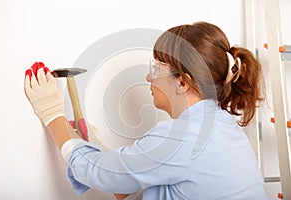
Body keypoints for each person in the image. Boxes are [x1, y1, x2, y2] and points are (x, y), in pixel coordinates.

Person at [24, 21, 267, 199]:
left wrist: (51, 112)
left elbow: (93, 171)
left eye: (157, 68)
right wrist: (86, 142)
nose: (149, 76)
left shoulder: (180, 139)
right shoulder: (223, 127)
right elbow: (125, 186)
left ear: (182, 82)